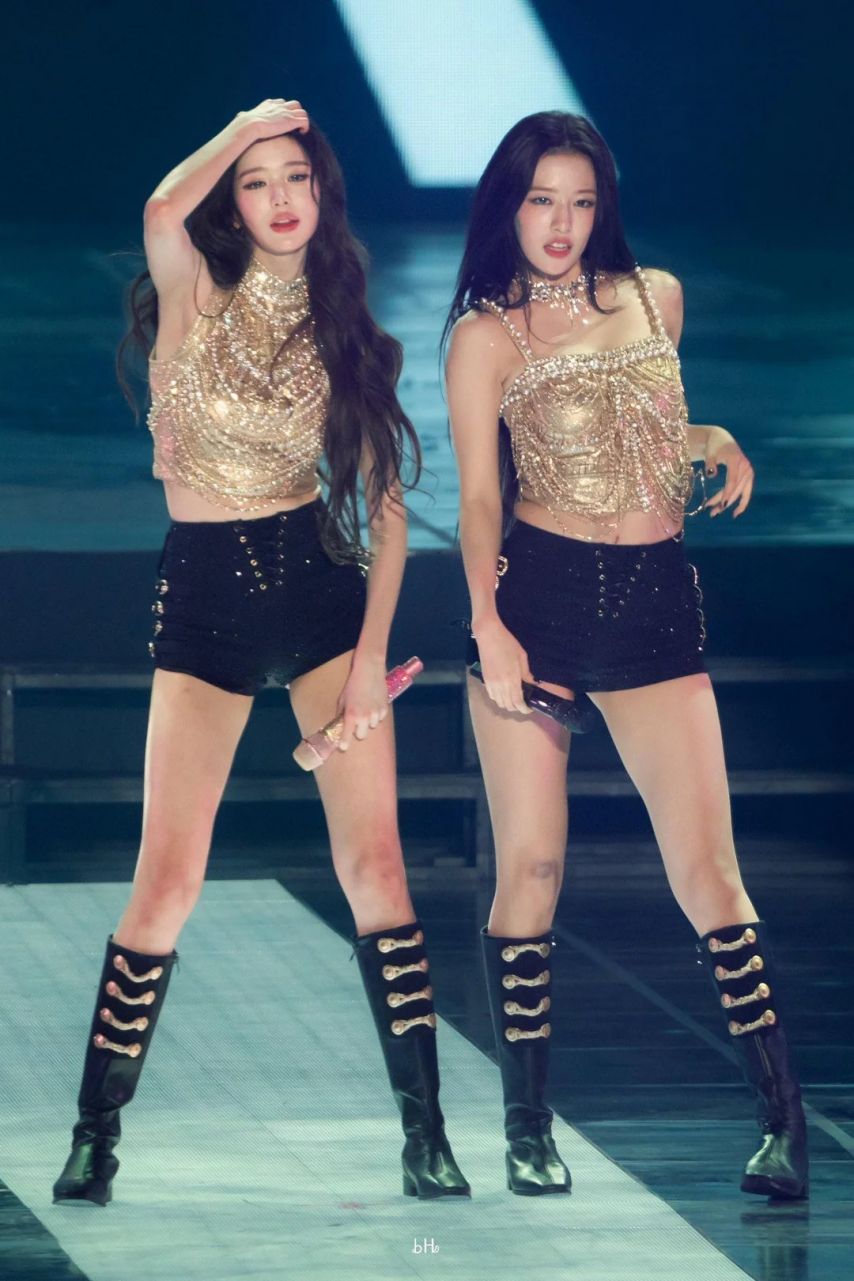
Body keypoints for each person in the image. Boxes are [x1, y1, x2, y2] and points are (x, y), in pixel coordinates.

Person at [53, 99, 469, 1206]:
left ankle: (427, 1136)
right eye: (257, 181)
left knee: (377, 870)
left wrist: (372, 665)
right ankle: (95, 1134)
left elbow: (386, 513)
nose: (282, 198)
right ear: (231, 203)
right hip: (204, 602)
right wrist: (240, 126)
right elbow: (159, 208)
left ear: (321, 194)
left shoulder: (341, 327)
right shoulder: (195, 296)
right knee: (166, 881)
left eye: (297, 177)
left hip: (321, 594)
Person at [444, 111, 806, 1199]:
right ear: (509, 206)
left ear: (603, 207)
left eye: (580, 201)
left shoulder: (657, 298)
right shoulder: (485, 335)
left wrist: (708, 436)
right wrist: (488, 624)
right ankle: (528, 1131)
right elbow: (477, 498)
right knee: (532, 869)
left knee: (708, 870)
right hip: (537, 601)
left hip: (651, 605)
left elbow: (630, 428)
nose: (560, 224)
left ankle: (781, 1127)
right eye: (540, 200)